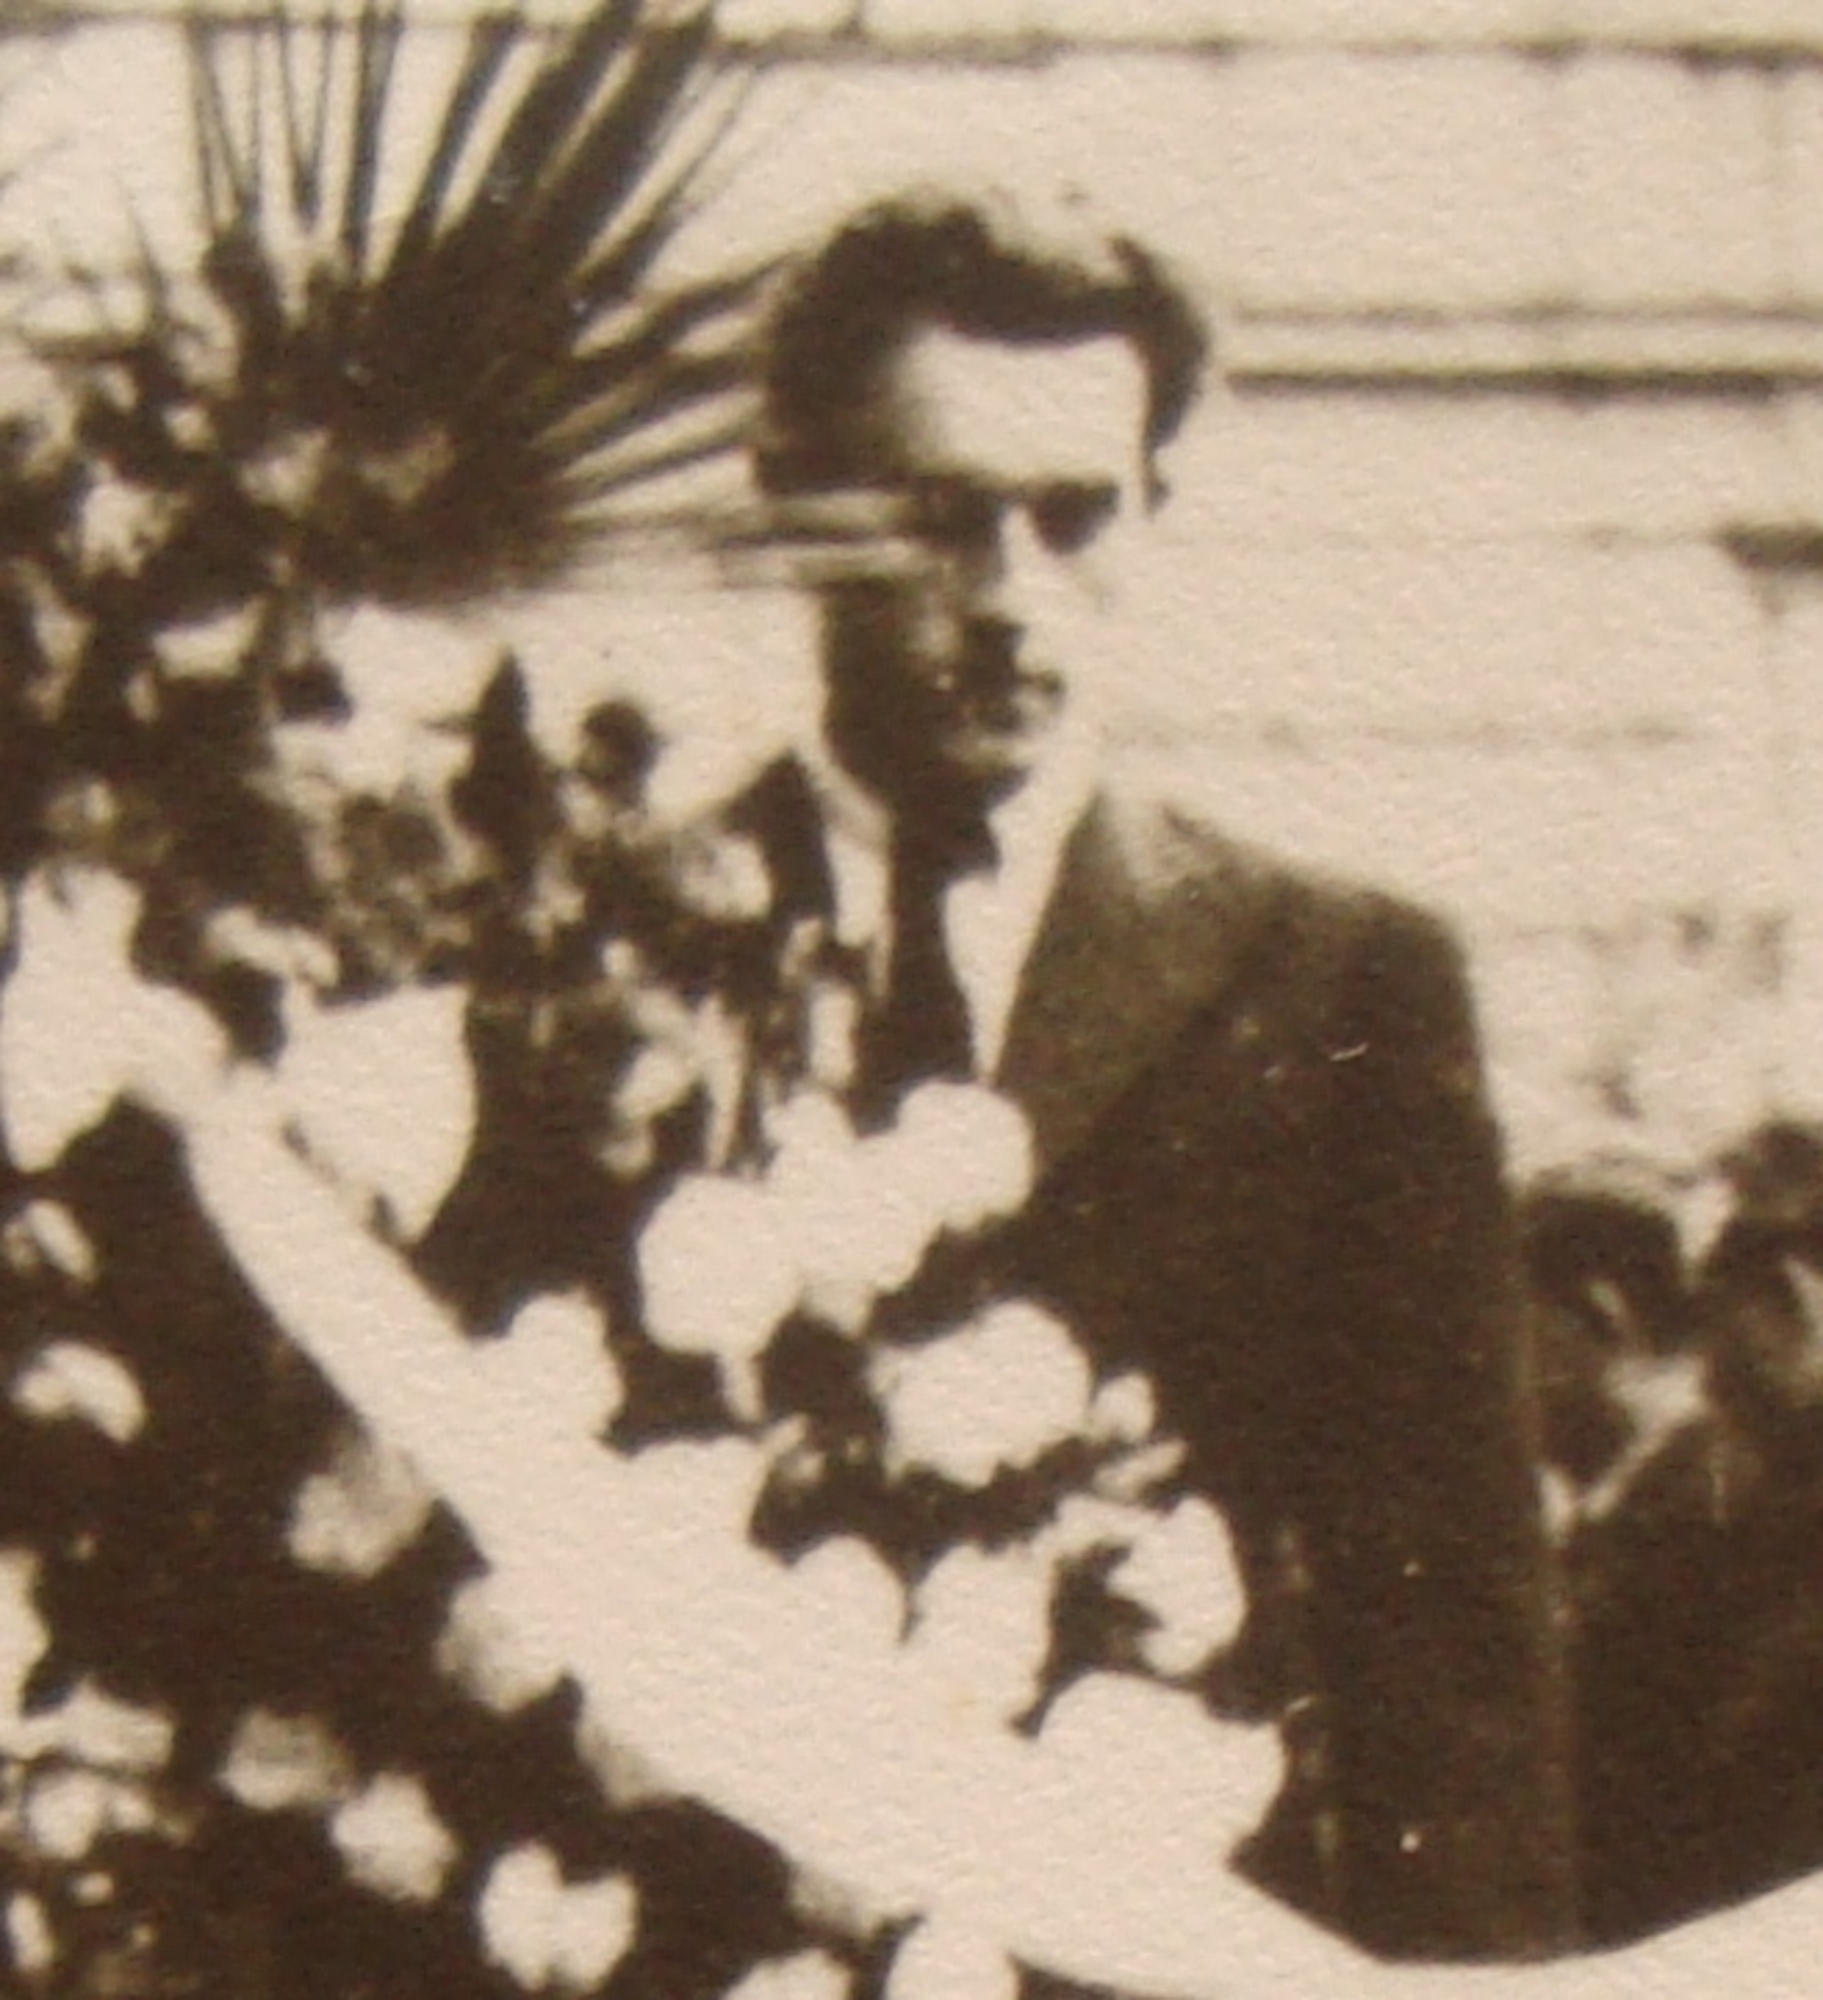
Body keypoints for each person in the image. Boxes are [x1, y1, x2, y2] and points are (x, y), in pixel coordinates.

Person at [751, 187, 1579, 1963]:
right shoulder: (606, 951)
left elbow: (1450, 1664)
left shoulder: (1336, 979)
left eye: (1075, 518)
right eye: (941, 521)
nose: (1009, 600)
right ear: (793, 507)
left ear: (1154, 511)